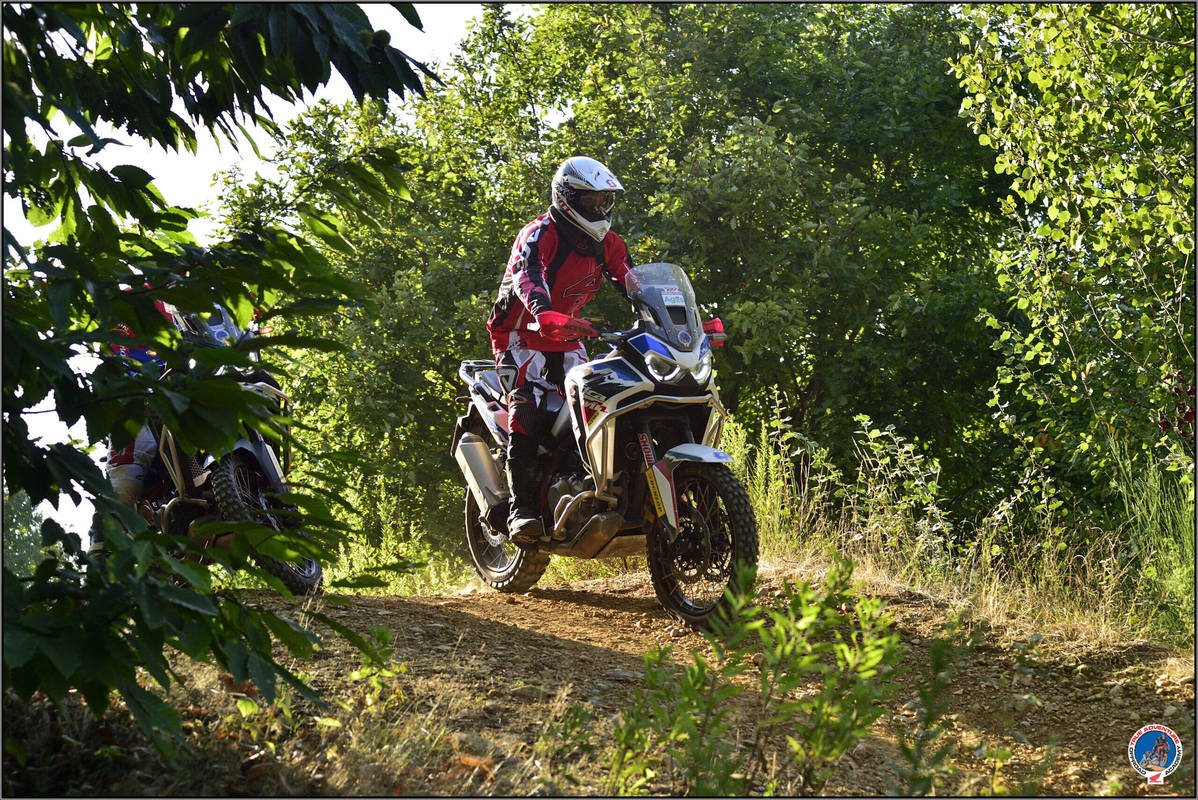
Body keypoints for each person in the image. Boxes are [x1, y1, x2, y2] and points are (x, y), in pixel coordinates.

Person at [486, 156, 634, 544]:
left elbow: (633, 281)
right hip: (520, 334)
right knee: (529, 408)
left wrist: (674, 317)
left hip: (568, 335)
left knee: (601, 402)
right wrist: (543, 312)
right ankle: (522, 509)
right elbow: (528, 276)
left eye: (604, 202)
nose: (599, 210)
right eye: (591, 202)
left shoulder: (608, 243)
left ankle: (591, 486)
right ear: (568, 197)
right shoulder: (539, 233)